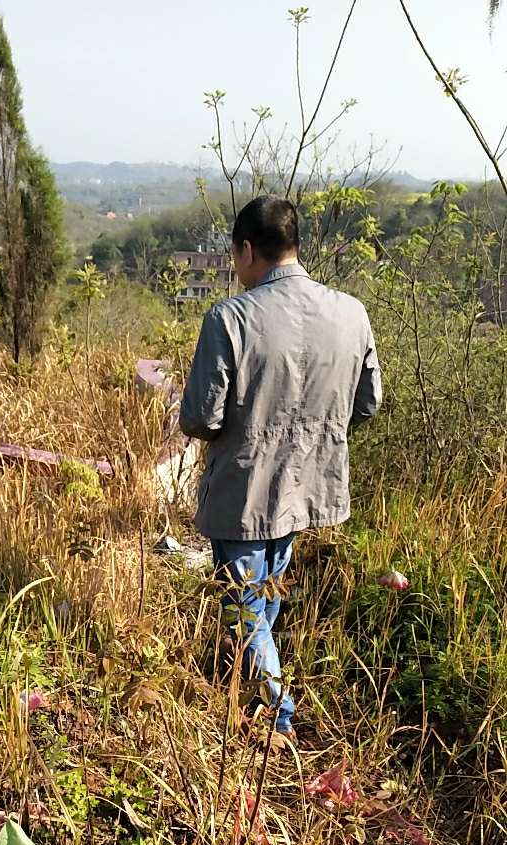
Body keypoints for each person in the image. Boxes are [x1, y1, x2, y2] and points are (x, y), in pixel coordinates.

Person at [179, 196, 382, 741]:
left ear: (247, 249)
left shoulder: (229, 318)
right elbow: (366, 404)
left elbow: (200, 416)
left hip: (243, 491)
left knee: (246, 607)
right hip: (307, 487)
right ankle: (255, 694)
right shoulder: (352, 313)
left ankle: (277, 719)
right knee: (264, 594)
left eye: (233, 254)